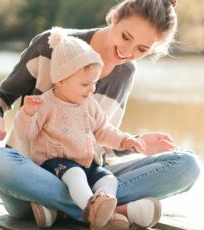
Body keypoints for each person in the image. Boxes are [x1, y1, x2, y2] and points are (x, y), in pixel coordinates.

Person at [0, 0, 200, 228]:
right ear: (114, 17)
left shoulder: (124, 73)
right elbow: (2, 96)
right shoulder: (53, 45)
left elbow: (99, 138)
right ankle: (109, 210)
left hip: (86, 173)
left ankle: (72, 209)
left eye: (142, 49)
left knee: (187, 165)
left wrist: (134, 143)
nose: (127, 52)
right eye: (126, 37)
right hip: (34, 175)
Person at [14, 28, 146, 228]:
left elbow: (103, 130)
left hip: (88, 163)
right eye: (85, 84)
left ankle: (104, 202)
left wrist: (123, 140)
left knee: (108, 178)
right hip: (56, 165)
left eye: (94, 82)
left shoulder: (90, 104)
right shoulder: (45, 103)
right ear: (61, 80)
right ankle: (93, 211)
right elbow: (26, 134)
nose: (92, 89)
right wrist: (28, 113)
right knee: (75, 175)